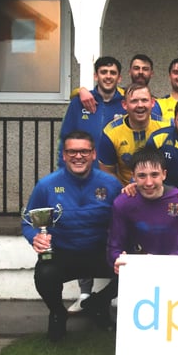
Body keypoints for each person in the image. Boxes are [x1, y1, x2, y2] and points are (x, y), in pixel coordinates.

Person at [21, 130, 122, 341]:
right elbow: (29, 221)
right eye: (72, 152)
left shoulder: (111, 184)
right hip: (63, 252)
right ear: (64, 155)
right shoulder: (46, 185)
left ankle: (99, 304)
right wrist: (35, 238)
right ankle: (58, 312)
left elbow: (126, 214)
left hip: (100, 252)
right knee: (44, 274)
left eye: (84, 151)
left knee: (133, 271)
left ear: (93, 154)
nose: (78, 156)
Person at [58, 55, 125, 313]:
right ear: (96, 76)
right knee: (82, 232)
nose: (108, 76)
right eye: (103, 72)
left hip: (114, 181)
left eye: (113, 72)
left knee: (115, 232)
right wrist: (64, 174)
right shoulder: (80, 102)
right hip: (82, 180)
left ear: (119, 78)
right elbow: (66, 139)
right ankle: (84, 293)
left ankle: (115, 291)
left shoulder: (125, 102)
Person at [107, 145, 178, 277]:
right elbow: (114, 248)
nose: (149, 182)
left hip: (176, 275)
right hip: (137, 275)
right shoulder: (122, 204)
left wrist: (160, 263)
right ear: (133, 176)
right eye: (142, 176)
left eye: (154, 175)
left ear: (164, 174)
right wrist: (117, 260)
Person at [97, 83, 163, 186]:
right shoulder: (110, 133)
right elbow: (107, 172)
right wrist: (124, 191)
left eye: (144, 100)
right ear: (124, 105)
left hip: (161, 191)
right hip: (127, 192)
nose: (140, 105)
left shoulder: (166, 127)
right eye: (134, 101)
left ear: (152, 103)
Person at [74, 53, 155, 113]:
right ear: (129, 72)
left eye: (145, 69)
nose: (140, 72)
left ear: (152, 73)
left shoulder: (157, 102)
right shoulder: (121, 95)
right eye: (136, 68)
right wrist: (81, 90)